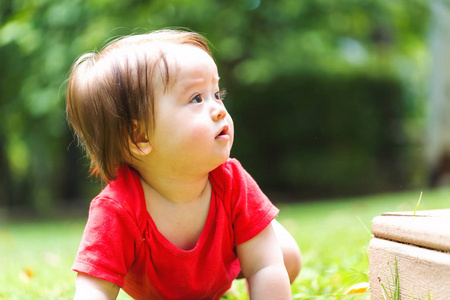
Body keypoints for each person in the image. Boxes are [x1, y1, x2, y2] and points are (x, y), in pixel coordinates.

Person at [66, 29, 301, 300]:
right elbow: (93, 289)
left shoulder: (232, 181)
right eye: (196, 99)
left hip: (228, 259)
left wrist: (264, 273)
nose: (219, 109)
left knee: (286, 259)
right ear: (139, 137)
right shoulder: (118, 209)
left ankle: (256, 238)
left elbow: (265, 267)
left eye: (217, 93)